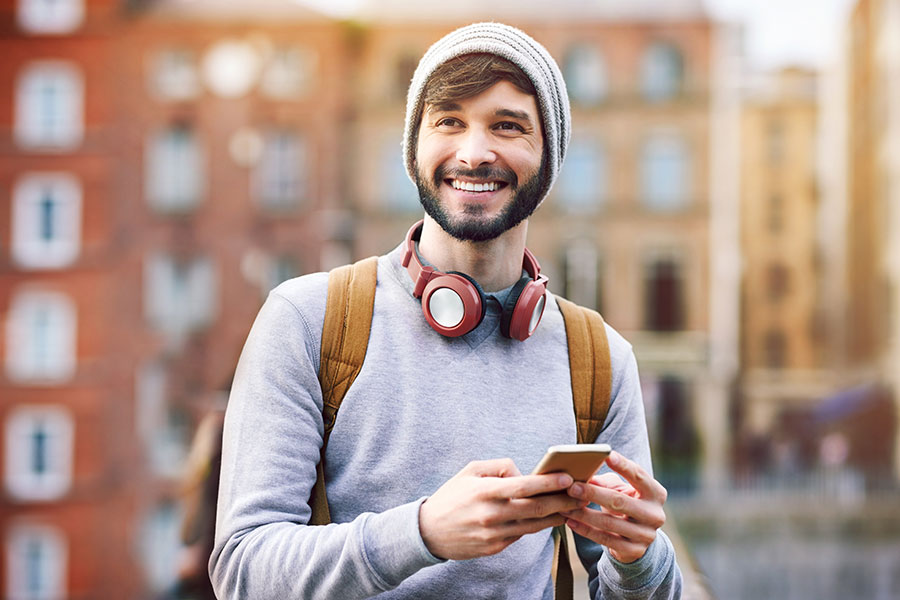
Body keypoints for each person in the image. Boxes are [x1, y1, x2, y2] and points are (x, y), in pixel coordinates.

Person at [210, 22, 682, 599]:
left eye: (507, 126)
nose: (474, 152)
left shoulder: (599, 358)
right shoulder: (307, 320)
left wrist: (639, 560)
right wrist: (423, 532)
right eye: (449, 121)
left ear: (550, 157)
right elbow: (242, 572)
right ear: (413, 150)